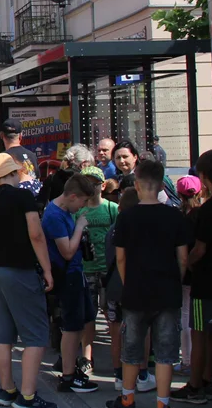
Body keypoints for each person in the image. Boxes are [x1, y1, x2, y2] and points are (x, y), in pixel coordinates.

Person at [106, 160, 189, 408]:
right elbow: (183, 258)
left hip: (136, 292)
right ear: (162, 183)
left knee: (132, 349)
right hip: (167, 291)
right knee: (165, 352)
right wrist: (175, 279)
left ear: (138, 185)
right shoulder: (175, 216)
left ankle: (127, 402)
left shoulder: (127, 217)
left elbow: (120, 258)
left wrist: (130, 282)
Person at [0, 153, 58, 408]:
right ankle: (27, 396)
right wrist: (47, 270)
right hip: (21, 271)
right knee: (36, 335)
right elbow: (36, 235)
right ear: (12, 173)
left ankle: (6, 389)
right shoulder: (24, 198)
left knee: (3, 334)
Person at [41, 174, 100, 394]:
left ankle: (67, 364)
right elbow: (66, 251)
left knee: (82, 320)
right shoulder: (55, 216)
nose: (83, 206)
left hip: (75, 273)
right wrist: (80, 227)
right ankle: (68, 376)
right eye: (83, 201)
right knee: (72, 326)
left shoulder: (64, 211)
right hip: (68, 275)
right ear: (72, 196)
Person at [173, 151, 212, 405]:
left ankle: (195, 385)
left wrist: (185, 263)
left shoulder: (208, 210)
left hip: (204, 282)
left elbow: (199, 249)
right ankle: (207, 379)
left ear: (202, 177)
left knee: (199, 332)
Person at [103, 188, 156, 392]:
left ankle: (118, 375)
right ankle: (142, 375)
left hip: (113, 287)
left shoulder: (113, 229)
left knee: (116, 332)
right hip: (136, 287)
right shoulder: (141, 229)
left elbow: (108, 258)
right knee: (142, 331)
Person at [76, 167, 117, 373]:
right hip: (87, 268)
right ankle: (87, 357)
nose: (91, 187)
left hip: (108, 269)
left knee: (111, 314)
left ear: (103, 185)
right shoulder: (79, 211)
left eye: (94, 182)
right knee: (89, 315)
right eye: (87, 183)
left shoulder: (112, 208)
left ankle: (116, 357)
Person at [175, 174, 202, 373]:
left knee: (185, 317)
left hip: (185, 273)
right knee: (199, 320)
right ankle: (198, 360)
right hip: (203, 272)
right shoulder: (205, 213)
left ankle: (187, 359)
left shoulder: (179, 217)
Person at [0, 118, 39, 196]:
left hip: (14, 204)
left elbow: (2, 189)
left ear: (1, 135)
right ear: (21, 136)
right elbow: (37, 179)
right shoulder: (32, 155)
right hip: (33, 203)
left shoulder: (2, 159)